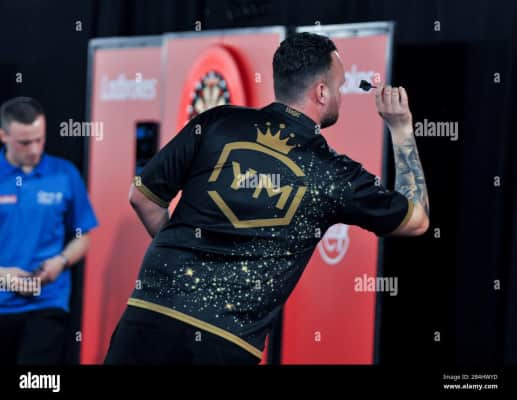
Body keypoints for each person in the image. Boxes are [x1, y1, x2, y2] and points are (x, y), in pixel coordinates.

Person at [105, 32, 429, 365]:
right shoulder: (333, 173)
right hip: (223, 342)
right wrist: (401, 128)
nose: (340, 96)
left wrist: (181, 260)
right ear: (321, 92)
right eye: (339, 86)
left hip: (147, 316)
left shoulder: (216, 122)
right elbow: (417, 220)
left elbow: (142, 197)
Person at [0, 97, 98, 364]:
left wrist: (61, 261)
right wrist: (3, 276)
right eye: (24, 142)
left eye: (39, 140)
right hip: (2, 300)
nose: (34, 149)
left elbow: (83, 236)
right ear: (4, 136)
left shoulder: (64, 174)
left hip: (46, 302)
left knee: (36, 380)